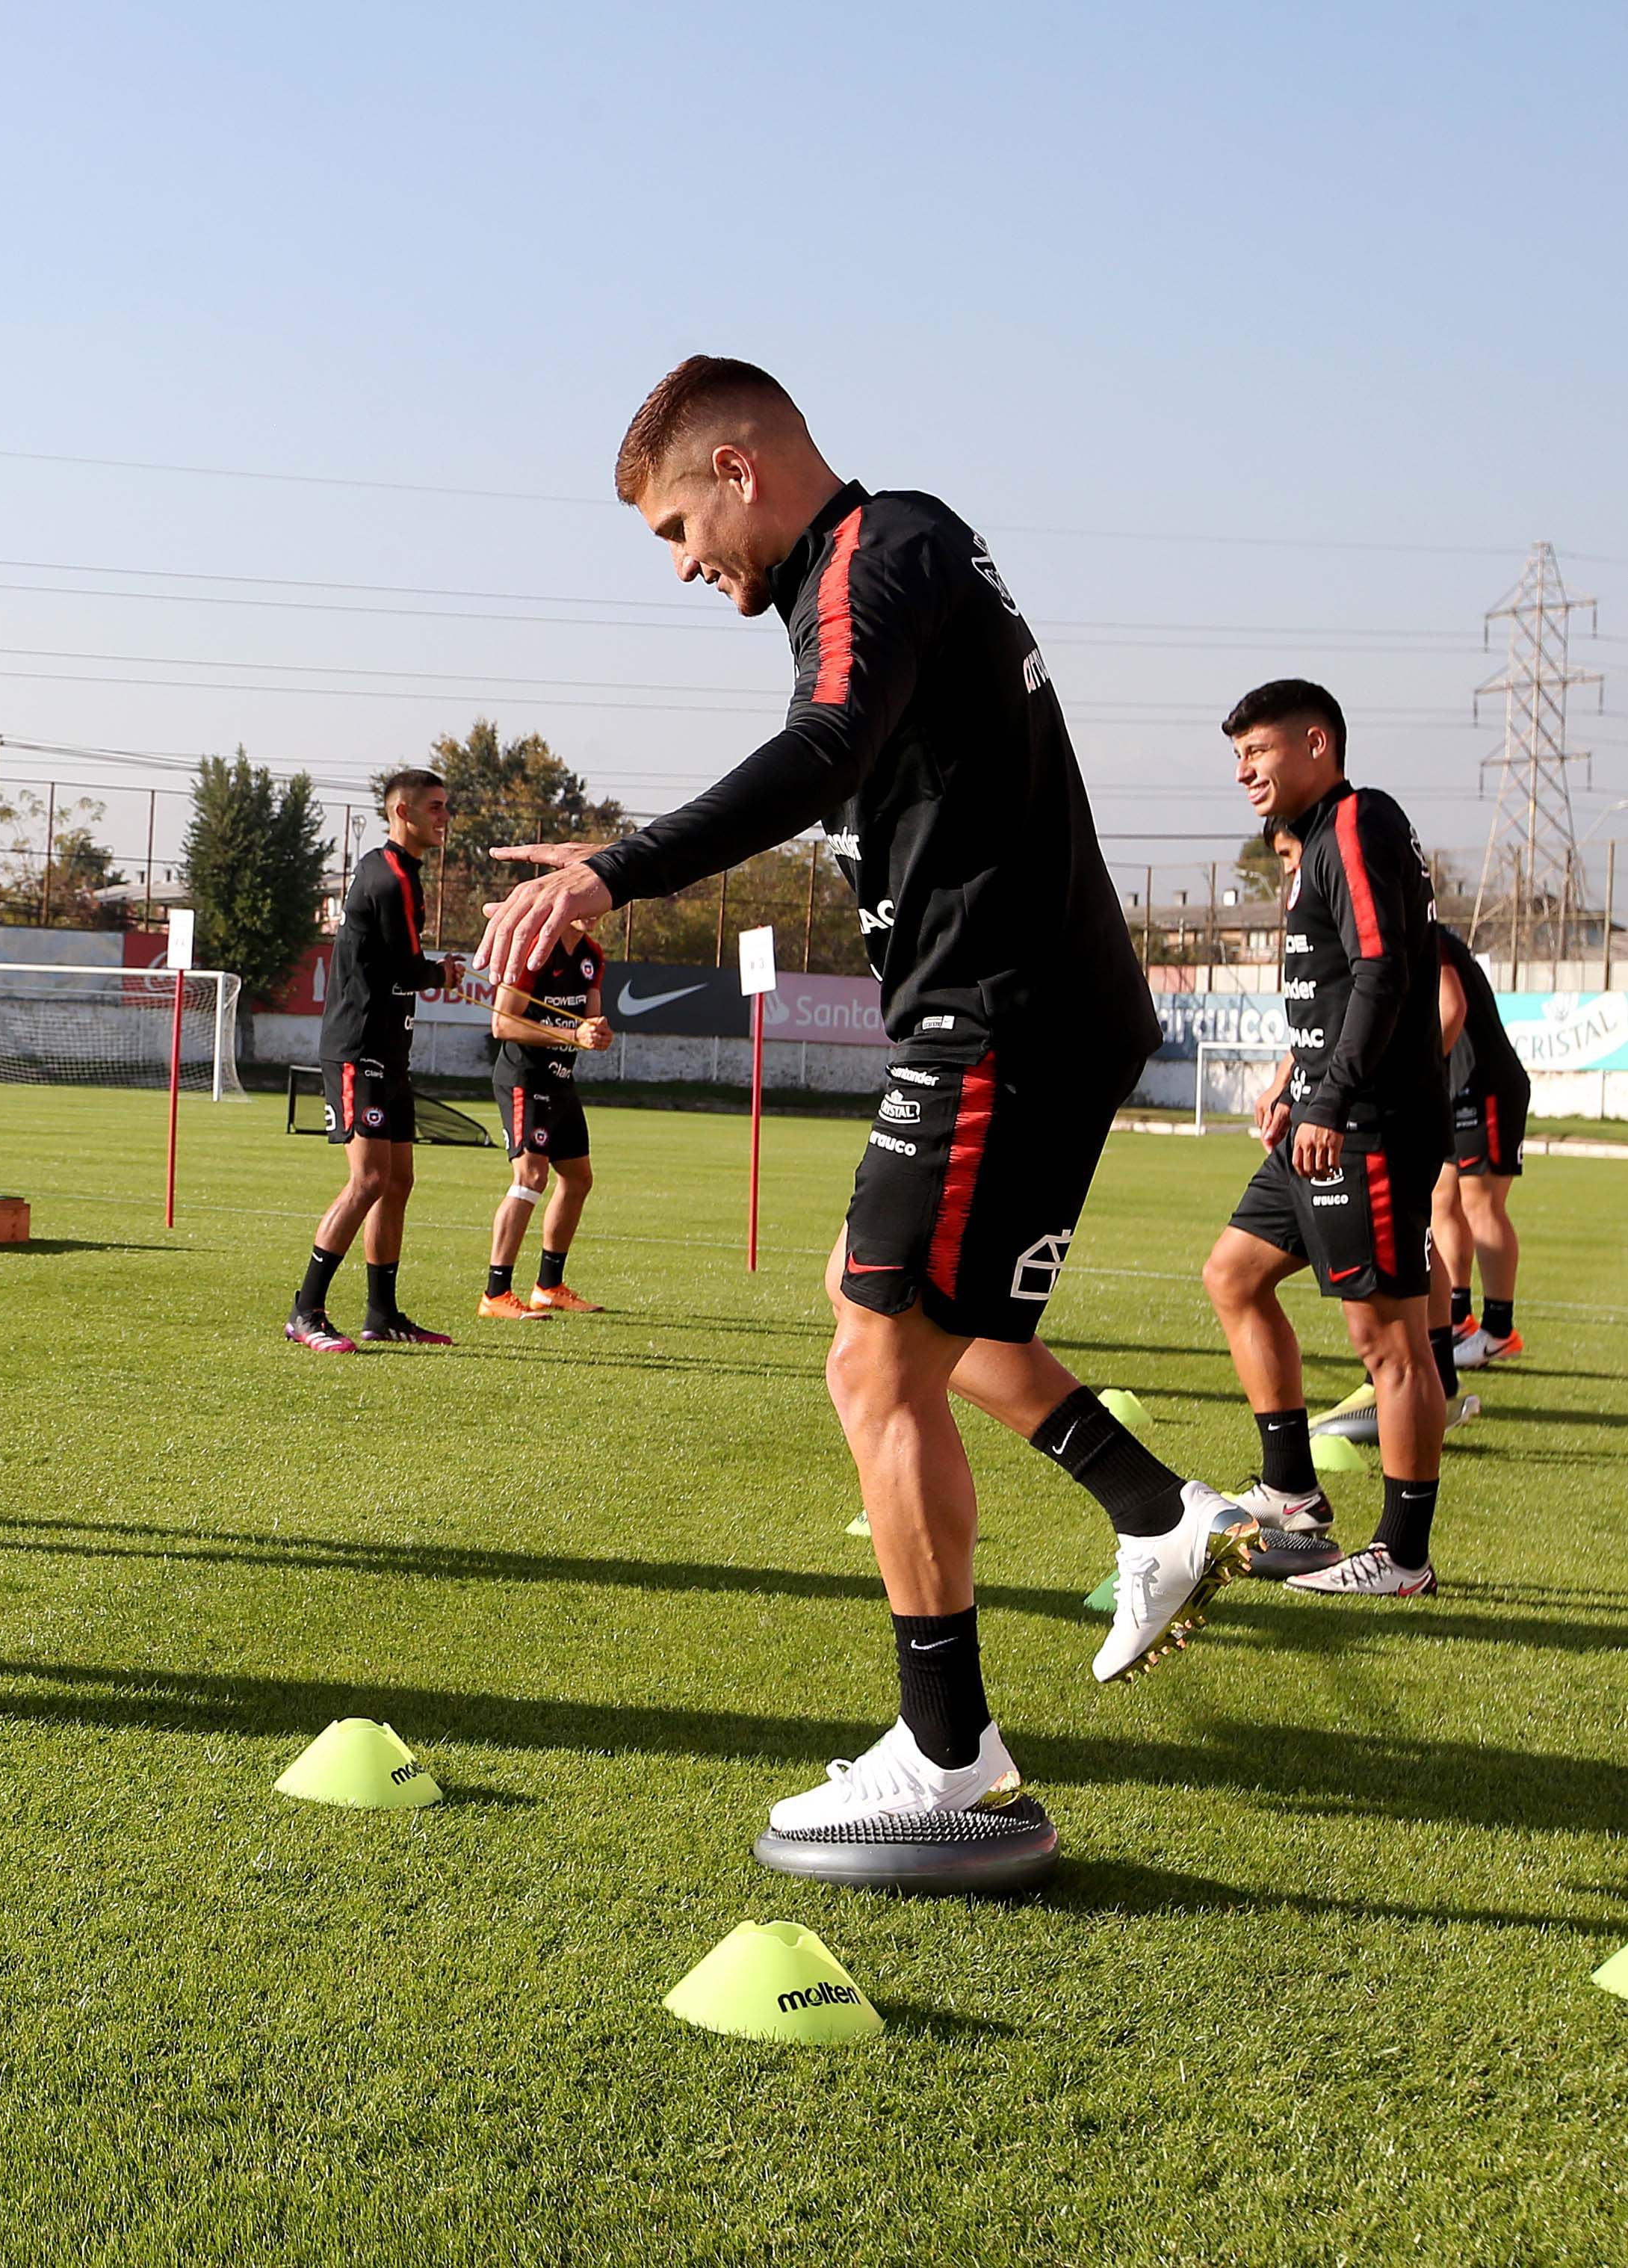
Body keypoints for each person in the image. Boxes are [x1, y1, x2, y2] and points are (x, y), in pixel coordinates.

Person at [480, 357, 1256, 1850]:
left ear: (732, 464)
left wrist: (614, 867)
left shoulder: (871, 551)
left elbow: (824, 744)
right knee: (889, 1309)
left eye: (669, 527)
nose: (681, 564)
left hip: (995, 1019)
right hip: (1014, 1011)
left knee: (870, 1366)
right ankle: (1157, 1509)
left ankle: (945, 1750)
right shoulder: (878, 564)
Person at [1201, 681, 1452, 1600]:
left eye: (1256, 751)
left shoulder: (1353, 820)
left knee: (1387, 1341)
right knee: (1232, 1274)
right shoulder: (1313, 842)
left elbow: (1385, 973)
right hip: (1316, 1119)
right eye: (1235, 756)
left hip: (1365, 1127)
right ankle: (1292, 1497)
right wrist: (1287, 1081)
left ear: (1315, 742)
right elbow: (1337, 986)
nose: (1243, 771)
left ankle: (1403, 1555)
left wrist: (1330, 1101)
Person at [291, 767, 455, 1351]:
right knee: (367, 1179)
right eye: (433, 807)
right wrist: (444, 973)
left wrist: (435, 972)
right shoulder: (391, 877)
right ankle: (304, 1311)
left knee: (398, 1180)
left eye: (445, 807)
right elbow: (412, 969)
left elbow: (394, 965)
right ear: (401, 813)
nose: (443, 817)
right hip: (358, 1051)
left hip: (390, 1053)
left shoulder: (398, 871)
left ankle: (381, 1313)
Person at [477, 921, 615, 1320]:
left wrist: (597, 1033)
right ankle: (496, 1294)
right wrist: (572, 1036)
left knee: (578, 1178)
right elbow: (502, 1024)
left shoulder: (592, 955)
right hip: (524, 1077)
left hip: (560, 1079)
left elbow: (590, 1020)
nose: (593, 910)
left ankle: (549, 1287)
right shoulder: (534, 949)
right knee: (531, 1178)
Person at [1430, 919, 1529, 1369]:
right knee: (1443, 1199)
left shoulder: (1423, 935)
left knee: (1481, 1203)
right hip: (1457, 1087)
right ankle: (1457, 1318)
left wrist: (1423, 1069)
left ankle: (1499, 1330)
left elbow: (1452, 1009)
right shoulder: (1415, 933)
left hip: (1483, 1085)